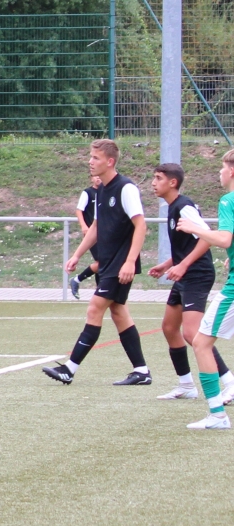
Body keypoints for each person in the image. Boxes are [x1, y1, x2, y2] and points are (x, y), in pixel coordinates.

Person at [43, 140, 149, 385]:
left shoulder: (126, 188)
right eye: (90, 157)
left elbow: (141, 225)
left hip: (120, 264)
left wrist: (130, 261)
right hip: (109, 262)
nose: (90, 161)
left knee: (94, 309)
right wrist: (77, 255)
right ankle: (142, 371)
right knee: (119, 312)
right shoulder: (101, 190)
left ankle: (69, 369)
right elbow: (96, 226)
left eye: (95, 157)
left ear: (110, 162)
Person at [149, 162, 212, 397]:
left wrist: (183, 265)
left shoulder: (184, 207)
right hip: (185, 274)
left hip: (197, 274)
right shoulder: (173, 207)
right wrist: (168, 264)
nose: (153, 183)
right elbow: (188, 244)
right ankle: (186, 386)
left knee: (193, 334)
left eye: (158, 178)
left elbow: (207, 237)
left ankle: (229, 382)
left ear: (172, 182)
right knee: (169, 327)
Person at [182, 149, 234, 429]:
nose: (219, 173)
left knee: (201, 343)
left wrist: (195, 228)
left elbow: (224, 239)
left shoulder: (228, 200)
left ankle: (217, 415)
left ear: (232, 171)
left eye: (222, 168)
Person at [69, 174, 101, 300]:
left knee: (102, 264)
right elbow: (79, 210)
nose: (98, 178)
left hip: (105, 234)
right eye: (95, 176)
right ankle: (77, 279)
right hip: (92, 235)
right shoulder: (88, 193)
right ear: (91, 178)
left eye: (100, 176)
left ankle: (99, 292)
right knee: (102, 263)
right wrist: (84, 226)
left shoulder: (106, 192)